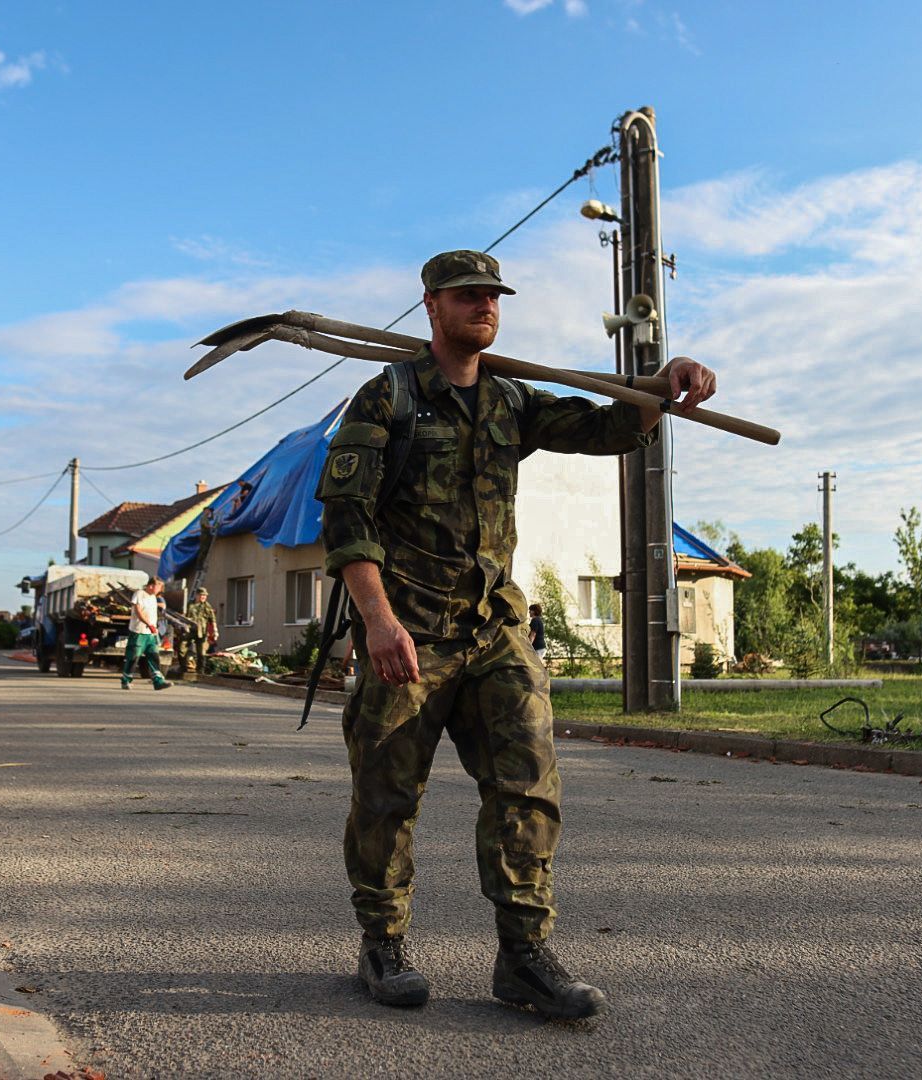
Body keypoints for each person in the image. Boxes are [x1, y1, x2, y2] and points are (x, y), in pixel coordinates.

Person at [317, 249, 716, 1019]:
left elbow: (609, 429)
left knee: (528, 785)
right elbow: (347, 519)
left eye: (492, 295)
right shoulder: (387, 399)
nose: (484, 306)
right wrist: (378, 622)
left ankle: (524, 957)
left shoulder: (510, 401)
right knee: (386, 797)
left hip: (493, 631)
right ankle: (383, 943)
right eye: (467, 296)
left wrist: (662, 383)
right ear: (431, 305)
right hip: (410, 633)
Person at [122, 577, 171, 691]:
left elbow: (152, 613)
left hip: (150, 633)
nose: (160, 589)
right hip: (138, 632)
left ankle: (158, 682)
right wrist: (148, 624)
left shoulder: (153, 597)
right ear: (151, 586)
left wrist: (155, 626)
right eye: (159, 586)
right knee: (133, 657)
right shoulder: (139, 594)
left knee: (154, 656)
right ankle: (126, 680)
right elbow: (138, 611)